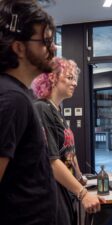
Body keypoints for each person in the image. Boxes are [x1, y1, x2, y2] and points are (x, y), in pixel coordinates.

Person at [0, 0, 58, 224]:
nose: (53, 48)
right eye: (45, 41)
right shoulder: (11, 100)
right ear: (19, 47)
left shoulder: (19, 95)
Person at [31, 57, 105, 225]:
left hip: (65, 191)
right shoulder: (41, 108)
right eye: (70, 78)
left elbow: (69, 153)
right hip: (50, 194)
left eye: (75, 79)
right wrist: (83, 193)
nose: (75, 83)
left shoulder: (56, 110)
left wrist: (82, 182)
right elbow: (52, 160)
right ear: (53, 78)